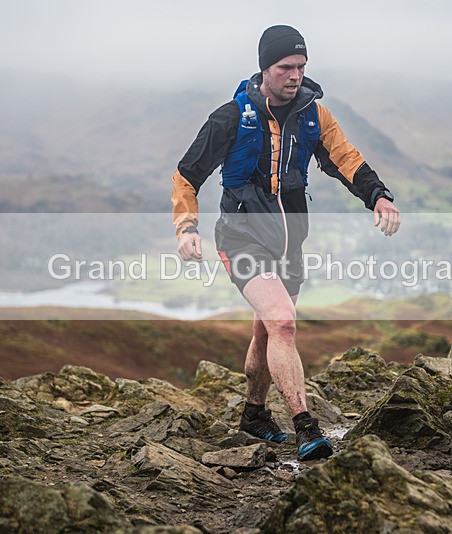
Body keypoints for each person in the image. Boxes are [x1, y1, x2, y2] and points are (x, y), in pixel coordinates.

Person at [171, 25, 400, 461]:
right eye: (285, 67)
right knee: (283, 322)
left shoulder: (314, 114)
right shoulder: (231, 117)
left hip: (290, 243)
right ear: (264, 68)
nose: (295, 75)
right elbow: (186, 175)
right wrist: (187, 228)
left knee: (266, 329)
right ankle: (305, 427)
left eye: (301, 66)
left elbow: (345, 158)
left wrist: (378, 196)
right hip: (241, 238)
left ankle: (254, 415)